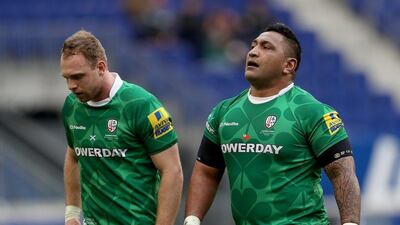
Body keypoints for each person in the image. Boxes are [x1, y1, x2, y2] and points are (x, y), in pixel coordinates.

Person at [184, 23, 361, 225]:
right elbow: (206, 170)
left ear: (289, 65)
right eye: (253, 45)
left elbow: (342, 173)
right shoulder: (224, 111)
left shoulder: (312, 111)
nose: (253, 52)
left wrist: (350, 223)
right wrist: (192, 219)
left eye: (266, 47)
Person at [60, 30, 183, 225]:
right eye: (66, 78)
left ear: (101, 67)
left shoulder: (142, 105)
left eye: (78, 77)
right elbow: (73, 156)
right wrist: (72, 214)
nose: (71, 85)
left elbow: (172, 171)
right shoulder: (71, 107)